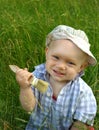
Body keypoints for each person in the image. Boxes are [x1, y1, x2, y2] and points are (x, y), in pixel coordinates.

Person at [16, 25, 97, 130]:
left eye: (70, 63)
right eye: (56, 57)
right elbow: (29, 107)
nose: (60, 66)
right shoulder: (36, 77)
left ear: (81, 67)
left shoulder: (82, 91)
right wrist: (25, 87)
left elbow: (81, 123)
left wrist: (80, 126)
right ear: (47, 52)